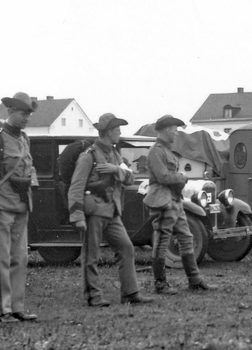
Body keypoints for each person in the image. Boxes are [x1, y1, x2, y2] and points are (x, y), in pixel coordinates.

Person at [68, 113, 152, 307]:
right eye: (117, 131)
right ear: (107, 133)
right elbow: (76, 187)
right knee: (92, 256)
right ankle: (93, 296)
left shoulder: (114, 154)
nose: (120, 134)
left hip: (112, 212)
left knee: (127, 248)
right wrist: (77, 216)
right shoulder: (88, 156)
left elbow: (130, 177)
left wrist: (115, 170)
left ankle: (130, 293)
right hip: (94, 212)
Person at [0, 92, 40, 323]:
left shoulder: (23, 139)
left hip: (21, 206)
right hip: (0, 208)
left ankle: (17, 307)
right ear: (11, 111)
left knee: (19, 258)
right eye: (23, 113)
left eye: (29, 114)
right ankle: (3, 310)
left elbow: (28, 170)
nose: (27, 118)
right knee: (1, 260)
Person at [144, 115, 208, 294]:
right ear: (165, 130)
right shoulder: (156, 151)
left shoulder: (166, 151)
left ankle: (194, 280)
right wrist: (183, 177)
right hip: (163, 200)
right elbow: (163, 177)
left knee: (186, 238)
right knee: (162, 240)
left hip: (174, 199)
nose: (177, 133)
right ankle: (160, 283)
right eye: (174, 129)